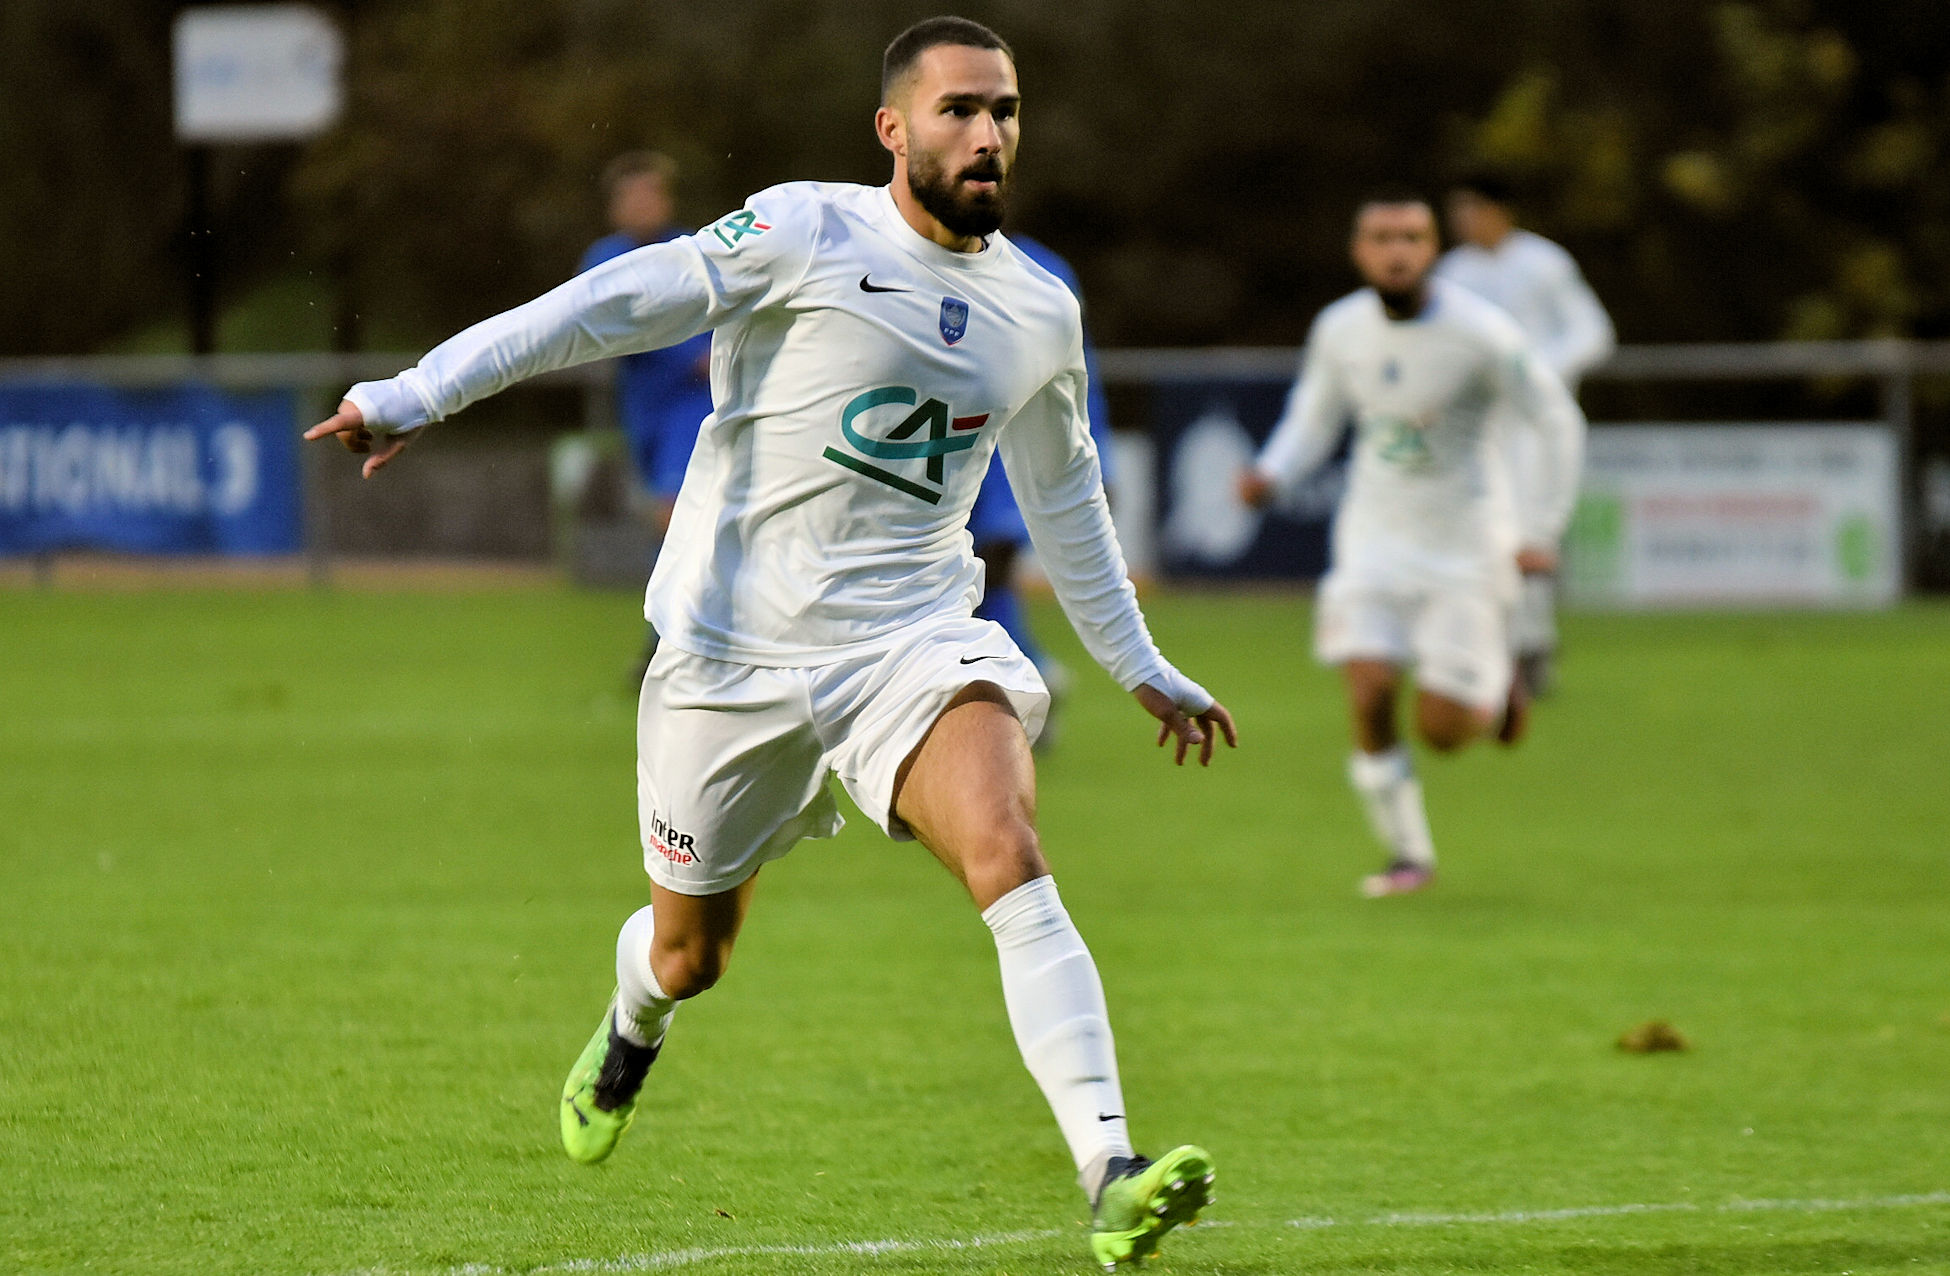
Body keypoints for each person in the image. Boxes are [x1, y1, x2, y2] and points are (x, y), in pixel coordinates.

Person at [304, 17, 1232, 1271]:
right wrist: (421, 389)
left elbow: (1070, 505)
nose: (989, 132)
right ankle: (634, 1021)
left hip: (907, 645)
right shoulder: (806, 230)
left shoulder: (1037, 311)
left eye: (1006, 109)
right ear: (893, 127)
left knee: (1009, 851)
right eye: (960, 108)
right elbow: (610, 305)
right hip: (725, 660)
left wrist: (1138, 665)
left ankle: (1111, 1171)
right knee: (693, 952)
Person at [1238, 190, 1582, 898]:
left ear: (1432, 251)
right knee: (1366, 688)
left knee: (1446, 732)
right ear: (1360, 251)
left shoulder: (1483, 332)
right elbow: (1314, 416)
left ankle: (1500, 676)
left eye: (1412, 238)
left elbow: (1557, 419)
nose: (1396, 251)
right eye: (1381, 237)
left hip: (1466, 548)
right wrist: (1271, 472)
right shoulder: (1340, 329)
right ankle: (1408, 855)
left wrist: (1541, 528)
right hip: (1373, 542)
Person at [1436, 173, 1613, 697]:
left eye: (1472, 208)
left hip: (1536, 424)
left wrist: (1540, 372)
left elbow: (1593, 331)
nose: (1463, 220)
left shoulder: (1543, 264)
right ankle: (1498, 647)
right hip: (1480, 425)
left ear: (1500, 211)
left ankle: (1533, 642)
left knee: (1531, 532)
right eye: (1457, 210)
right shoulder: (1453, 274)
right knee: (1482, 530)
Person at [967, 232, 1114, 746]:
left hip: (1015, 444)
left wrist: (1100, 459)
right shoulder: (892, 253)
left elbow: (1078, 371)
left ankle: (1019, 682)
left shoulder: (1042, 268)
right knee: (963, 576)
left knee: (991, 562)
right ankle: (1026, 671)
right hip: (942, 444)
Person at [577, 151, 715, 534]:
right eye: (633, 196)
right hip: (643, 401)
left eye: (651, 194)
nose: (643, 204)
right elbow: (610, 323)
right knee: (665, 509)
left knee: (678, 507)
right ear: (615, 206)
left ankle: (685, 593)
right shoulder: (604, 259)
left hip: (695, 397)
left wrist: (708, 356)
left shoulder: (693, 249)